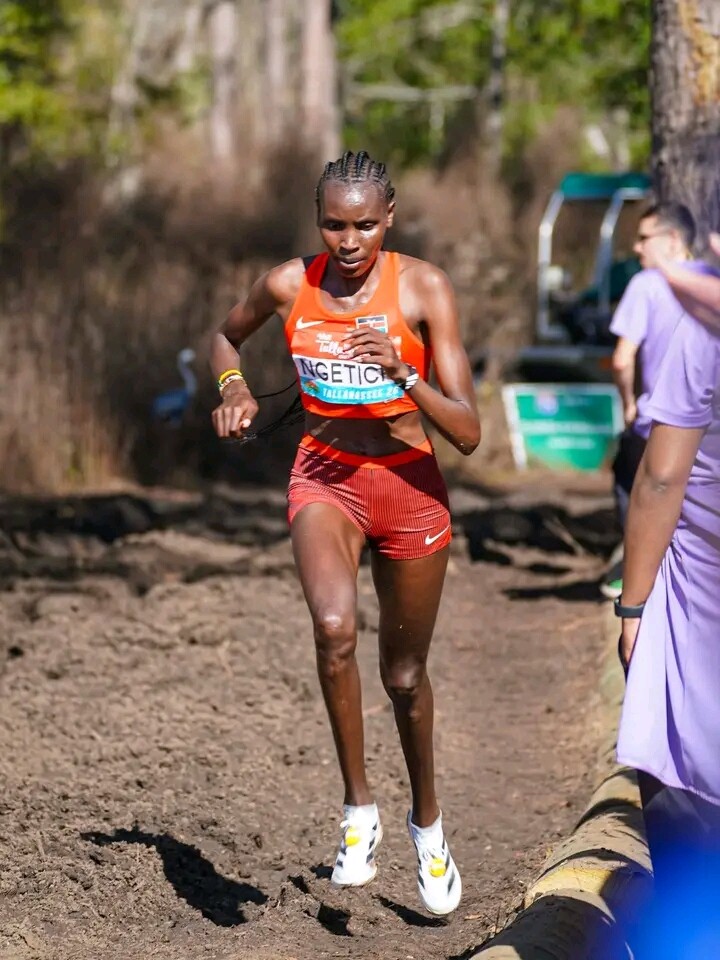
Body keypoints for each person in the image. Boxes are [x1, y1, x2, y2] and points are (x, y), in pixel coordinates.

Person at [210, 151, 480, 916]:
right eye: (334, 225)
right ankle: (359, 810)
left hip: (409, 491)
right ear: (318, 220)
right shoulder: (288, 285)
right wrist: (232, 390)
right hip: (325, 480)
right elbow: (225, 339)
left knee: (404, 677)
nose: (350, 240)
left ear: (389, 217)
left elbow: (468, 433)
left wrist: (405, 375)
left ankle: (427, 825)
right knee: (334, 630)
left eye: (364, 224)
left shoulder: (423, 289)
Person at [615, 277, 720, 956]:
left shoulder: (702, 330)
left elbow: (660, 478)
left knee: (683, 769)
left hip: (699, 590)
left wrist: (633, 606)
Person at [602, 202, 698, 600]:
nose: (637, 248)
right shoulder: (711, 281)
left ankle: (633, 581)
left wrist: (629, 403)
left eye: (645, 238)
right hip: (705, 428)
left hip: (657, 423)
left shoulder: (647, 284)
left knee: (634, 488)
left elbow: (622, 359)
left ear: (673, 239)